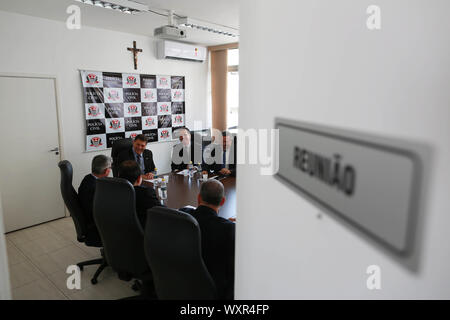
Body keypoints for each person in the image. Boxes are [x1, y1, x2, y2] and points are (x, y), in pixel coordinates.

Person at [189, 179, 235, 300]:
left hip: (187, 280)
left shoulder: (185, 217)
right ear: (223, 201)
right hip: (215, 287)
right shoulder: (228, 229)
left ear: (199, 198)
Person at [118, 160, 161, 227]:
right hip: (147, 231)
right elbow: (162, 212)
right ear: (139, 179)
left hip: (123, 230)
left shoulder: (115, 191)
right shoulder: (146, 193)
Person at [78, 155, 111, 235]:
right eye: (110, 168)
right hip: (96, 225)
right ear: (107, 171)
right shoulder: (96, 189)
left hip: (88, 218)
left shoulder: (88, 178)